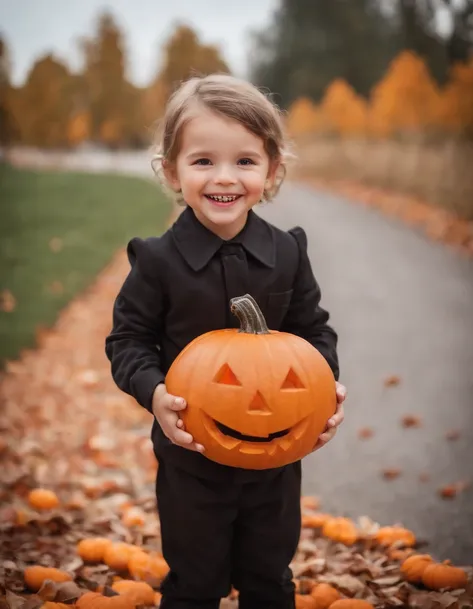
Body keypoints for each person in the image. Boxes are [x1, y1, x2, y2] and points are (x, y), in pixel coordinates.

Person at [105, 73, 347, 609]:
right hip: (192, 459)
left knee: (270, 578)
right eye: (202, 161)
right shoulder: (158, 262)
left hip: (277, 459)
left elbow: (313, 330)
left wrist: (326, 384)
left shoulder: (287, 252)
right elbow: (128, 341)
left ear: (272, 170)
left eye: (244, 161)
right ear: (171, 171)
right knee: (196, 583)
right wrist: (155, 393)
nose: (225, 178)